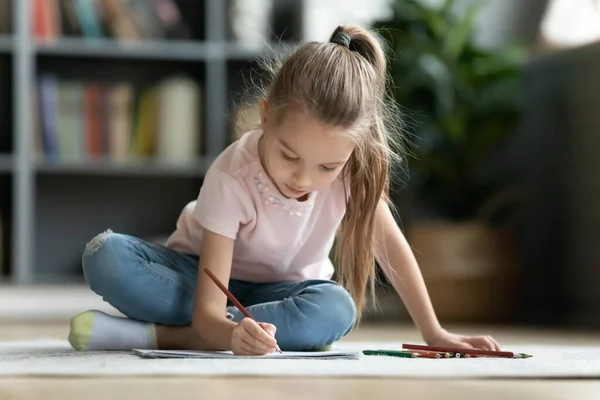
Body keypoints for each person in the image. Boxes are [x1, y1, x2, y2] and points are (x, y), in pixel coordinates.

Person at [68, 25, 501, 355]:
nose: (304, 179)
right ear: (265, 116)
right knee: (106, 257)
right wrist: (223, 329)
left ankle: (160, 337)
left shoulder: (355, 172)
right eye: (289, 156)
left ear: (353, 151)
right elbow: (207, 308)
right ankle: (214, 336)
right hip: (200, 278)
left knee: (336, 310)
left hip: (284, 294)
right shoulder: (233, 174)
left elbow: (392, 250)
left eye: (327, 166)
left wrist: (435, 332)